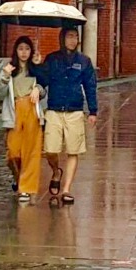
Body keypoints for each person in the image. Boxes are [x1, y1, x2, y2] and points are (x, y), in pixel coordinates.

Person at [36, 25, 99, 207]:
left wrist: (93, 111)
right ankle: (56, 171)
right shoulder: (53, 59)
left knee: (73, 150)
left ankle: (66, 189)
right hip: (54, 110)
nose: (72, 40)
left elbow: (90, 86)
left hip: (75, 110)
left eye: (75, 36)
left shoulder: (84, 61)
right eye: (69, 36)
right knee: (50, 149)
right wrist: (37, 64)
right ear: (62, 38)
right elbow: (42, 80)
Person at [0, 37, 46, 203]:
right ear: (16, 51)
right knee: (13, 152)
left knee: (31, 152)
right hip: (15, 111)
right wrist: (5, 75)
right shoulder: (9, 68)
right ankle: (18, 178)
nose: (24, 52)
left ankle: (26, 189)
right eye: (20, 49)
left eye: (27, 49)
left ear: (31, 51)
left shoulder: (36, 68)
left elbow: (45, 87)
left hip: (32, 109)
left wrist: (38, 89)